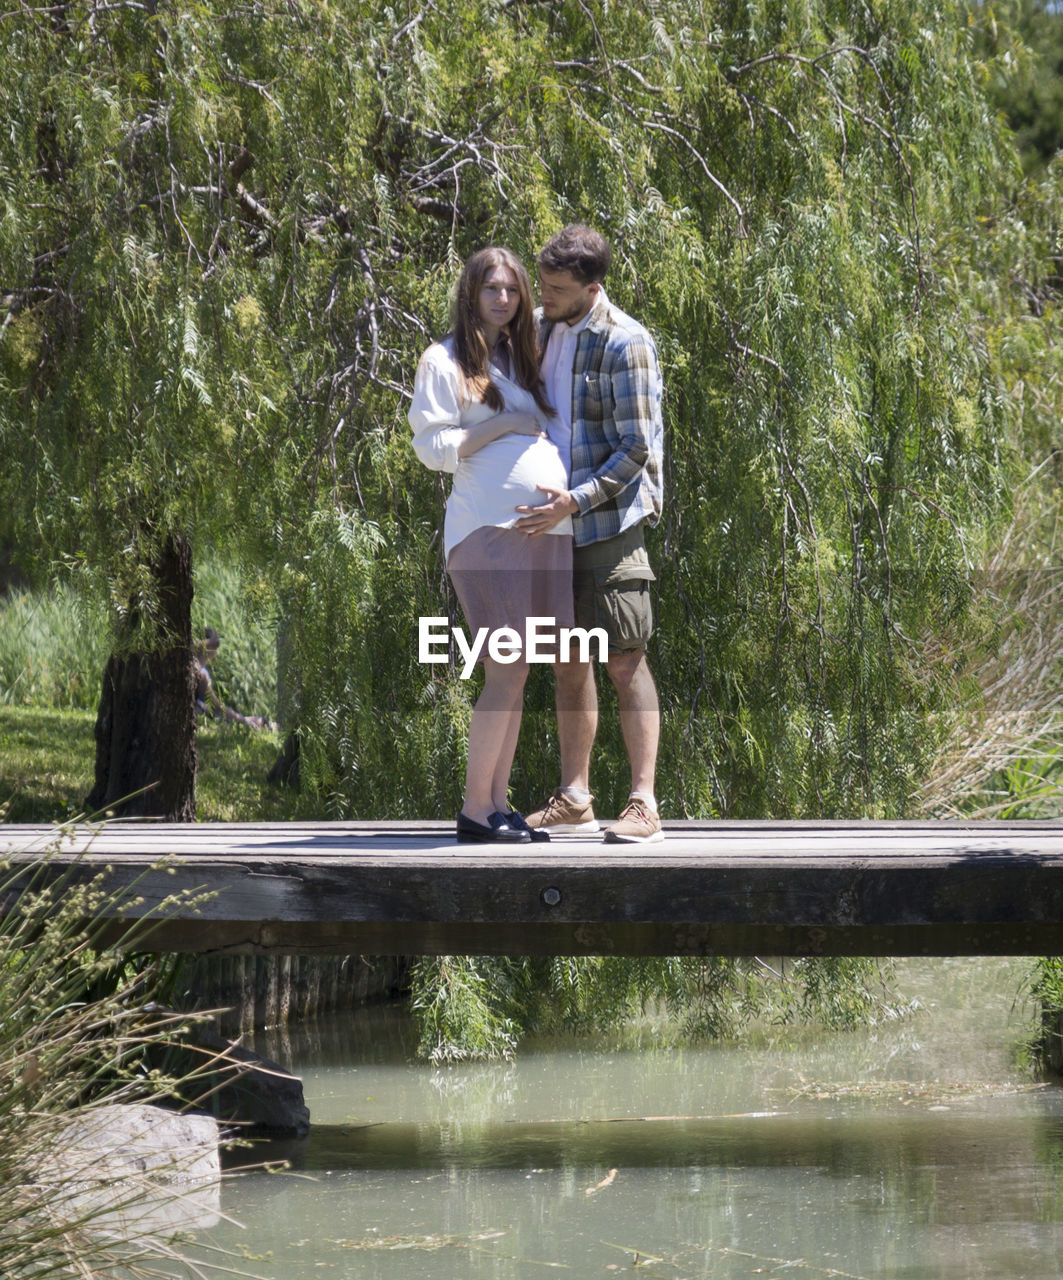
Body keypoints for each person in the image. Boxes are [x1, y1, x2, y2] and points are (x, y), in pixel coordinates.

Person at [409, 246, 573, 843]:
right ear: (470, 293)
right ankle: (476, 811)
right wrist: (500, 425)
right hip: (486, 532)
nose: (502, 298)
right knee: (505, 666)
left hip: (542, 534)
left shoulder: (524, 357)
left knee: (519, 669)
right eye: (490, 289)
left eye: (511, 290)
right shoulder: (444, 359)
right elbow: (430, 446)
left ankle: (498, 806)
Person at [516, 224, 665, 843]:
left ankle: (643, 804)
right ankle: (575, 798)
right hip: (550, 527)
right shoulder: (545, 330)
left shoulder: (626, 343)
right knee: (567, 660)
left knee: (624, 657)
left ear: (591, 287)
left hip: (607, 522)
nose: (542, 296)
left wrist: (572, 502)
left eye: (554, 288)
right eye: (541, 283)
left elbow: (636, 448)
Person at [194, 627, 272, 729]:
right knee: (251, 720)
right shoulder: (202, 673)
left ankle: (258, 721)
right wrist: (241, 720)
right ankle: (262, 723)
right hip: (206, 715)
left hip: (204, 712)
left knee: (250, 718)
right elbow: (216, 707)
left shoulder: (196, 669)